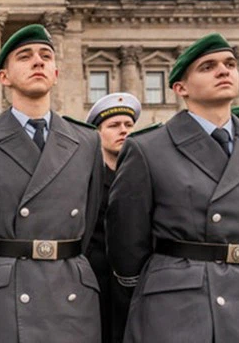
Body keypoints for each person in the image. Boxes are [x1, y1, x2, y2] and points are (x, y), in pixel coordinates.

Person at [108, 33, 239, 343]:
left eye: (230, 64)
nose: (224, 71)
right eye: (208, 67)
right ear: (180, 88)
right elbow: (126, 244)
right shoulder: (148, 149)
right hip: (181, 303)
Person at [0, 24, 105, 342]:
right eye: (25, 56)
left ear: (56, 73)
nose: (38, 61)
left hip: (69, 290)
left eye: (46, 55)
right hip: (2, 292)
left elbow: (91, 220)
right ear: (4, 76)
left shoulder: (87, 142)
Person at [84, 92, 141, 343]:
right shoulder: (86, 177)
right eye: (114, 125)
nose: (123, 131)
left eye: (128, 125)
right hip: (97, 283)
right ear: (98, 133)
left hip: (137, 285)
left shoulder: (144, 176)